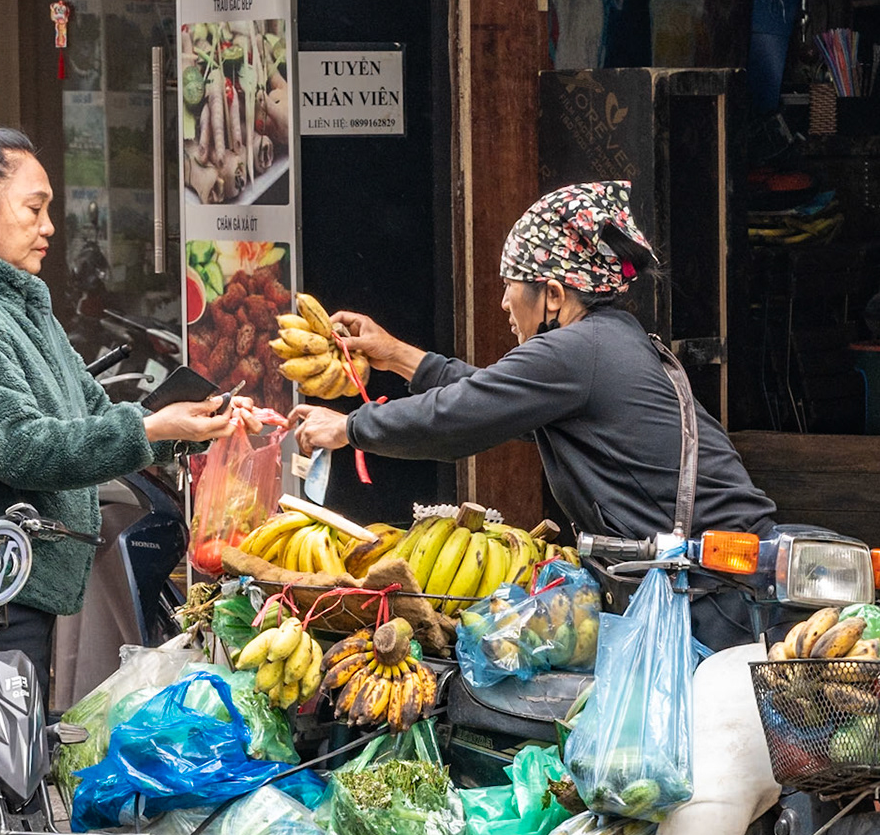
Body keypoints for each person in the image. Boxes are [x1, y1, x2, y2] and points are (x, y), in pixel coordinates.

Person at [289, 179, 776, 651]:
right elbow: (493, 398)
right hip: (722, 583)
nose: (503, 302)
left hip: (716, 591)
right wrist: (394, 354)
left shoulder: (577, 351)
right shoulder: (606, 341)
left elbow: (459, 418)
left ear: (554, 295)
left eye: (510, 286)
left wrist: (347, 427)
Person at [0, 127, 256, 681]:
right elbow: (20, 447)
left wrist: (185, 425)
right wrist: (150, 430)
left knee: (19, 759)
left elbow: (93, 413)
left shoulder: (19, 304)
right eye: (34, 209)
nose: (49, 227)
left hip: (13, 579)